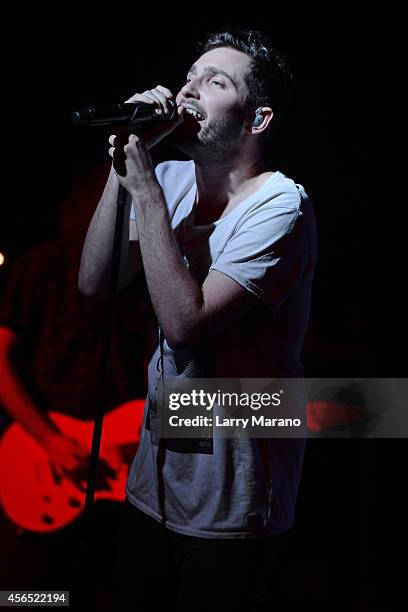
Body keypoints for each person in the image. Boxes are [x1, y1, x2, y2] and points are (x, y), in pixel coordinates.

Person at [79, 27, 317, 612]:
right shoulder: (173, 178)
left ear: (256, 120)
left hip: (234, 504)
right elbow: (93, 284)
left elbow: (187, 323)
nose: (188, 91)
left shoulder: (282, 206)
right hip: (151, 489)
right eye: (190, 76)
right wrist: (123, 162)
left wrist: (149, 195)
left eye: (215, 82)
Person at [0, 163, 150, 611]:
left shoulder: (147, 284)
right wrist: (50, 440)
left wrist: (282, 409)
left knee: (104, 594)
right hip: (39, 462)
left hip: (117, 477)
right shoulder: (44, 265)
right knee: (27, 597)